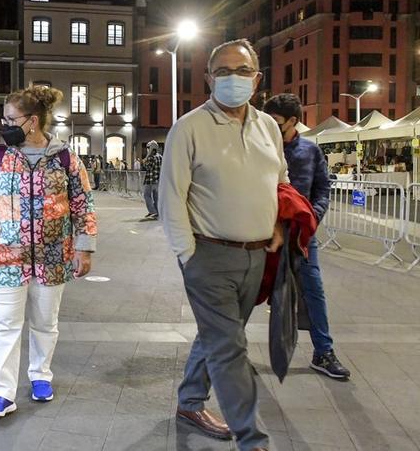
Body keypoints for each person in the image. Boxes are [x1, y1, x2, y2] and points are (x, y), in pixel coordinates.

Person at [158, 38, 287, 451]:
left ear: (258, 78)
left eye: (243, 71)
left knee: (218, 336)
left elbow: (281, 183)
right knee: (230, 347)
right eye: (224, 71)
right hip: (208, 256)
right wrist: (187, 255)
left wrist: (280, 227)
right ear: (209, 78)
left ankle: (190, 402)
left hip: (257, 258)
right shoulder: (189, 127)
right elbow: (171, 196)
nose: (234, 78)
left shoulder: (268, 126)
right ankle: (253, 440)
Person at [0, 85, 97, 419]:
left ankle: (41, 375)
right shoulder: (0, 156)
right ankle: (1, 393)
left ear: (32, 121)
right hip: (5, 257)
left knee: (45, 322)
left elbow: (82, 201)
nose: (5, 124)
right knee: (5, 324)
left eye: (11, 118)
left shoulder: (64, 157)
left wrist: (84, 248)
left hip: (52, 255)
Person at [263, 93, 350, 380]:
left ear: (293, 121)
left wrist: (311, 217)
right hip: (259, 231)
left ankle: (323, 351)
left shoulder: (310, 152)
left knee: (313, 289)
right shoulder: (259, 148)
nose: (271, 129)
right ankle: (232, 353)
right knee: (247, 289)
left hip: (301, 235)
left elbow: (323, 189)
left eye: (277, 124)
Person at [142, 141, 163, 219]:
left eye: (148, 148)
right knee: (156, 197)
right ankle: (157, 212)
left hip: (150, 180)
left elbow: (148, 167)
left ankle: (152, 211)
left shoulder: (151, 157)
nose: (147, 149)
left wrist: (144, 161)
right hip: (158, 180)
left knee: (146, 195)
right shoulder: (160, 156)